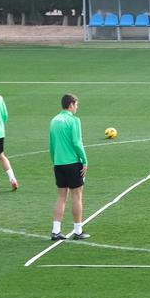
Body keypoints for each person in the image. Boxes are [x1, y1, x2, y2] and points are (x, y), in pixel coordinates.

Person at [48, 94, 89, 241]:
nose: (77, 107)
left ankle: (56, 230)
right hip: (72, 163)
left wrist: (54, 162)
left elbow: (51, 145)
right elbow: (77, 143)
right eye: (76, 105)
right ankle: (78, 231)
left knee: (61, 197)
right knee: (77, 196)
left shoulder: (54, 121)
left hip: (59, 164)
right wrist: (84, 160)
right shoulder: (73, 120)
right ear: (71, 104)